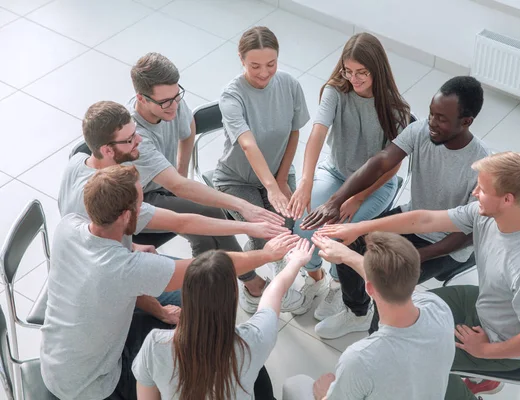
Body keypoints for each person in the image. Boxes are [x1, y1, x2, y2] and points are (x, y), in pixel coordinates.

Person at [41, 165, 299, 400]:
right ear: (123, 216)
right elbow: (209, 269)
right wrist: (267, 254)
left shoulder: (69, 225)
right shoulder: (124, 270)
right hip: (92, 385)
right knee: (217, 355)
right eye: (140, 205)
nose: (143, 209)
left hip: (58, 358)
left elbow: (183, 220)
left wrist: (249, 227)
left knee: (191, 308)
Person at [319, 152, 520, 399]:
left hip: (503, 344)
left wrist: (482, 349)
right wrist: (359, 228)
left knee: (419, 360)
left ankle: (478, 382)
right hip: (484, 303)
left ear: (507, 199)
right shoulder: (487, 216)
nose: (474, 193)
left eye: (482, 189)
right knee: (403, 306)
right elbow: (424, 219)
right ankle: (384, 356)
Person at [59, 100, 290, 324]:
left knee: (205, 271)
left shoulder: (79, 163)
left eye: (135, 133)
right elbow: (125, 278)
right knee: (201, 295)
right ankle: (233, 301)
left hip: (101, 264)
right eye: (130, 139)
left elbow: (183, 222)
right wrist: (161, 312)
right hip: (106, 289)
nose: (139, 140)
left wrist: (249, 225)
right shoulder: (115, 202)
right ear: (107, 150)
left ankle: (243, 288)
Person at [304, 76, 489, 339]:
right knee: (348, 240)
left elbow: (469, 234)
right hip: (411, 220)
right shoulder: (422, 130)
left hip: (448, 243)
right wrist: (335, 202)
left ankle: (378, 337)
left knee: (388, 281)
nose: (432, 124)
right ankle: (357, 313)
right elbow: (380, 162)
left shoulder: (481, 165)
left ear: (466, 121)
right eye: (431, 114)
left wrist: (418, 257)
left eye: (442, 119)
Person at [128, 52, 300, 311]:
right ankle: (249, 282)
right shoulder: (138, 136)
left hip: (166, 183)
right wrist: (243, 207)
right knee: (209, 215)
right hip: (139, 200)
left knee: (206, 236)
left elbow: (188, 131)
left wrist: (181, 170)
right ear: (141, 98)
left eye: (177, 97)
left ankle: (229, 288)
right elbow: (178, 187)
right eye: (166, 103)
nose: (174, 106)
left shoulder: (170, 100)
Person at [288, 32, 412, 318]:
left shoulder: (396, 110)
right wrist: (306, 181)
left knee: (339, 234)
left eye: (362, 73)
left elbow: (392, 166)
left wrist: (359, 196)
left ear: (377, 70)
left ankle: (336, 284)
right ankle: (315, 279)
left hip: (373, 186)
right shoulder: (335, 91)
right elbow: (317, 133)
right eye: (348, 71)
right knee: (304, 224)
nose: (354, 79)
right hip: (335, 172)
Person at [132, 239, 315, 400]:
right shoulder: (252, 340)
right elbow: (275, 291)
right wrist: (295, 262)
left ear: (185, 294)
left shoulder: (154, 345)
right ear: (234, 296)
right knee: (300, 384)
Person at [282, 232, 455, 400]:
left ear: (369, 289)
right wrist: (347, 255)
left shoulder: (360, 358)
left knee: (296, 385)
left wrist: (324, 394)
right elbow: (393, 281)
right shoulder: (438, 306)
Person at [212, 26, 310, 313]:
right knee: (263, 234)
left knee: (288, 227)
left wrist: (281, 179)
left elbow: (294, 132)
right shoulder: (232, 96)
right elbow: (248, 145)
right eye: (255, 66)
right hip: (237, 179)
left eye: (271, 64)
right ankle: (252, 283)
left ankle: (279, 276)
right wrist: (270, 188)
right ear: (241, 60)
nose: (264, 73)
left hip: (277, 170)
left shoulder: (290, 85)